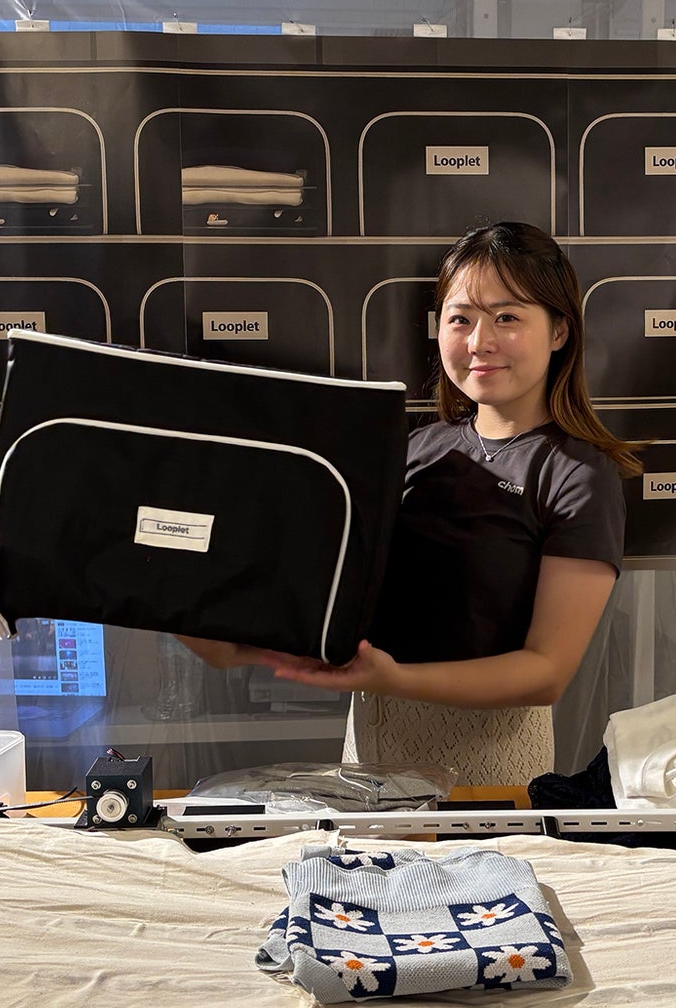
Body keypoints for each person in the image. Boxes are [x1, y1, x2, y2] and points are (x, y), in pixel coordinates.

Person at [181, 222, 639, 783]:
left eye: (507, 317)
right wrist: (209, 619)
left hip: (487, 776)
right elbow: (331, 598)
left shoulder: (578, 476)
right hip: (366, 762)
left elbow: (546, 672)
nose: (479, 341)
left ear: (560, 331)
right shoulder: (410, 450)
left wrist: (395, 680)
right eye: (460, 318)